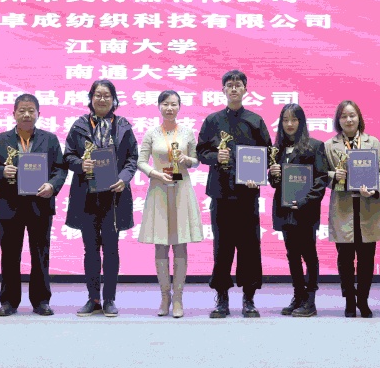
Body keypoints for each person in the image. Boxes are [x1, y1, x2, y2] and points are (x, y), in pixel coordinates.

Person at [0, 93, 66, 316]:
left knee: (40, 254)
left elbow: (60, 168)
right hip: (10, 205)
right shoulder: (0, 140)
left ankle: (41, 301)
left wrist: (52, 185)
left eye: (31, 110)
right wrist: (2, 171)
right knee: (10, 255)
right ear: (14, 114)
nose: (26, 114)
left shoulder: (50, 140)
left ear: (38, 114)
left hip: (40, 203)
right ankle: (9, 301)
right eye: (22, 110)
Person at [197, 69, 272, 319]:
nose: (234, 89)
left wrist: (258, 175)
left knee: (250, 247)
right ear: (223, 90)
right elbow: (200, 152)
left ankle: (249, 299)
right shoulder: (212, 121)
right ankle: (222, 298)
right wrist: (215, 156)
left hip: (247, 195)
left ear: (245, 90)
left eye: (238, 85)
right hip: (220, 194)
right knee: (222, 247)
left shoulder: (255, 121)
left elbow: (267, 153)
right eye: (229, 85)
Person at [65, 80, 138, 317]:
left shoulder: (123, 126)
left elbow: (132, 158)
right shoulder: (79, 125)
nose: (102, 99)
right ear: (91, 98)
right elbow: (68, 156)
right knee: (90, 250)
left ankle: (109, 299)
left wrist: (124, 178)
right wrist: (80, 164)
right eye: (98, 95)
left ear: (114, 99)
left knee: (111, 249)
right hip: (86, 196)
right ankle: (93, 298)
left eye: (107, 95)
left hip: (113, 197)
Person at [137, 91, 202, 318]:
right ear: (159, 106)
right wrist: (155, 173)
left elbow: (197, 160)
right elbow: (141, 161)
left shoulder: (187, 132)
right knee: (161, 246)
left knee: (180, 244)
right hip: (159, 190)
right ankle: (165, 297)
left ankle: (178, 298)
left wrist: (187, 160)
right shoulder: (151, 133)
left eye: (174, 104)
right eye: (165, 104)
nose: (169, 108)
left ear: (179, 107)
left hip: (181, 189)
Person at [323, 100, 380, 318]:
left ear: (359, 118)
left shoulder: (373, 142)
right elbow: (321, 174)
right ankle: (350, 301)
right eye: (344, 116)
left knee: (367, 258)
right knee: (345, 259)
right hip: (343, 207)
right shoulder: (329, 145)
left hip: (368, 205)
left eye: (352, 115)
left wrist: (375, 189)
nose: (349, 120)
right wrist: (334, 176)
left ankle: (363, 300)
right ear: (338, 120)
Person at [267, 104, 329, 317]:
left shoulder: (314, 146)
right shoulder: (278, 149)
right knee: (292, 255)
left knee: (309, 254)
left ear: (301, 122)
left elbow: (321, 179)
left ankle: (310, 300)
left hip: (306, 210)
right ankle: (298, 295)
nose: (289, 124)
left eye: (294, 120)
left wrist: (305, 201)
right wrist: (274, 174)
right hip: (285, 210)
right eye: (285, 120)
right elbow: (275, 184)